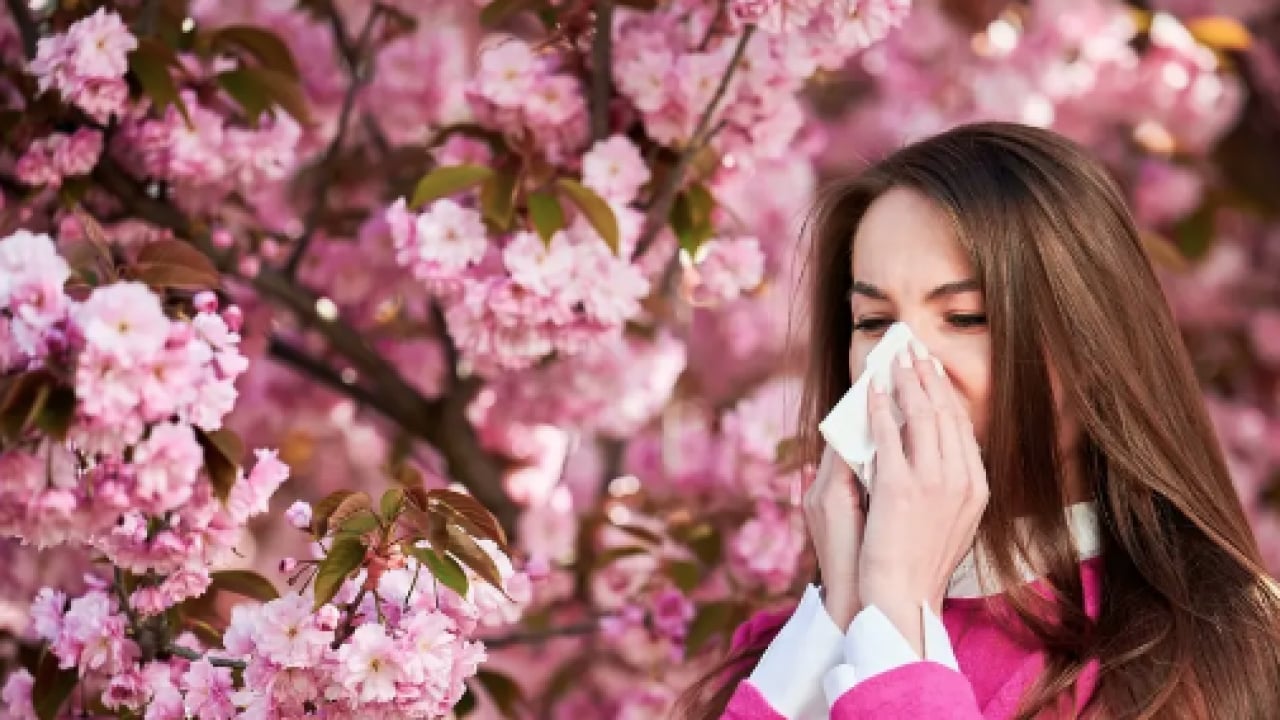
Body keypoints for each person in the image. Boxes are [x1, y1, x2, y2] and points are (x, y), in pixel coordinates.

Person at [675, 122, 1280, 719]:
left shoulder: (1197, 655)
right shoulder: (784, 652)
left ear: (1094, 351)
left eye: (964, 318)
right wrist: (843, 616)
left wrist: (900, 624)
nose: (903, 365)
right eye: (874, 322)